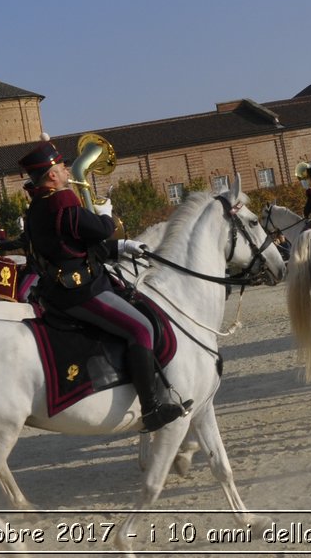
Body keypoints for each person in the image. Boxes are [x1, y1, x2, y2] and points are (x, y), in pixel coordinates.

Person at [18, 140, 188, 432]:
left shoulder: (37, 207)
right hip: (80, 291)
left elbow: (73, 248)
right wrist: (105, 212)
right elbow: (100, 230)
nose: (66, 170)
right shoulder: (61, 201)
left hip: (60, 288)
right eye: (61, 166)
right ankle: (151, 408)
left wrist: (119, 248)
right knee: (141, 329)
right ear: (52, 175)